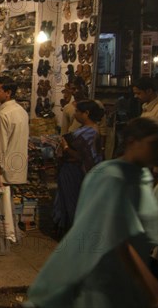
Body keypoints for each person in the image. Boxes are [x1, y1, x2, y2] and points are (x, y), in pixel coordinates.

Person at [25, 117, 158, 308]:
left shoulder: (142, 176)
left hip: (129, 282)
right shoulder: (111, 177)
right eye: (154, 145)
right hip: (105, 279)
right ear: (133, 142)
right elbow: (119, 240)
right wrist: (150, 286)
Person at [0, 76, 29, 253]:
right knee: (7, 205)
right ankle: (12, 237)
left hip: (1, 168)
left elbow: (0, 145)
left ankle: (0, 245)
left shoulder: (3, 114)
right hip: (15, 165)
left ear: (8, 93)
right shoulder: (21, 111)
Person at [53, 100, 104, 233]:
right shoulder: (87, 129)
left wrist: (65, 147)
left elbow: (83, 156)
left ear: (86, 113)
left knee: (73, 202)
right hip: (72, 170)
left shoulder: (90, 132)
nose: (75, 114)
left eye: (77, 111)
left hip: (75, 171)